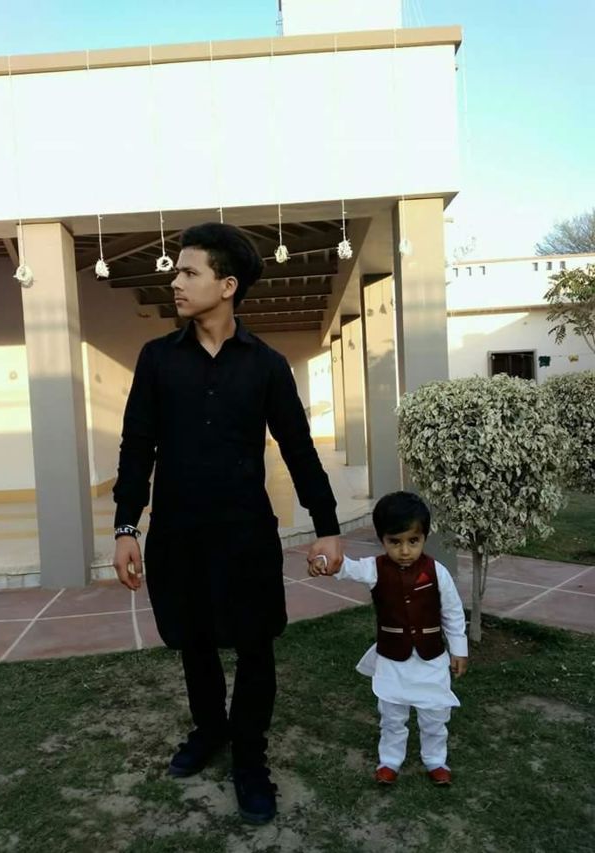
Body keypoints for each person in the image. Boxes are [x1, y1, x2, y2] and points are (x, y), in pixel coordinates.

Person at [112, 222, 342, 824]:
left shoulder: (266, 365)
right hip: (177, 534)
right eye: (177, 271)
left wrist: (326, 525)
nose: (176, 282)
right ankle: (210, 729)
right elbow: (137, 446)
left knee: (255, 645)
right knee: (194, 643)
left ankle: (249, 756)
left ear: (227, 285)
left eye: (189, 272)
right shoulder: (158, 359)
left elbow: (298, 448)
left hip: (246, 534)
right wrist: (125, 527)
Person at [308, 491, 467, 785]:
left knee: (435, 715)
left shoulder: (437, 572)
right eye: (395, 542)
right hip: (392, 660)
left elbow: (453, 612)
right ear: (382, 540)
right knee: (392, 716)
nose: (405, 551)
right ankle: (390, 761)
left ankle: (436, 760)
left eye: (413, 541)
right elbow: (347, 567)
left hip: (431, 660)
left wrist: (459, 649)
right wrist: (323, 560)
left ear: (424, 537)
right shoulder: (375, 569)